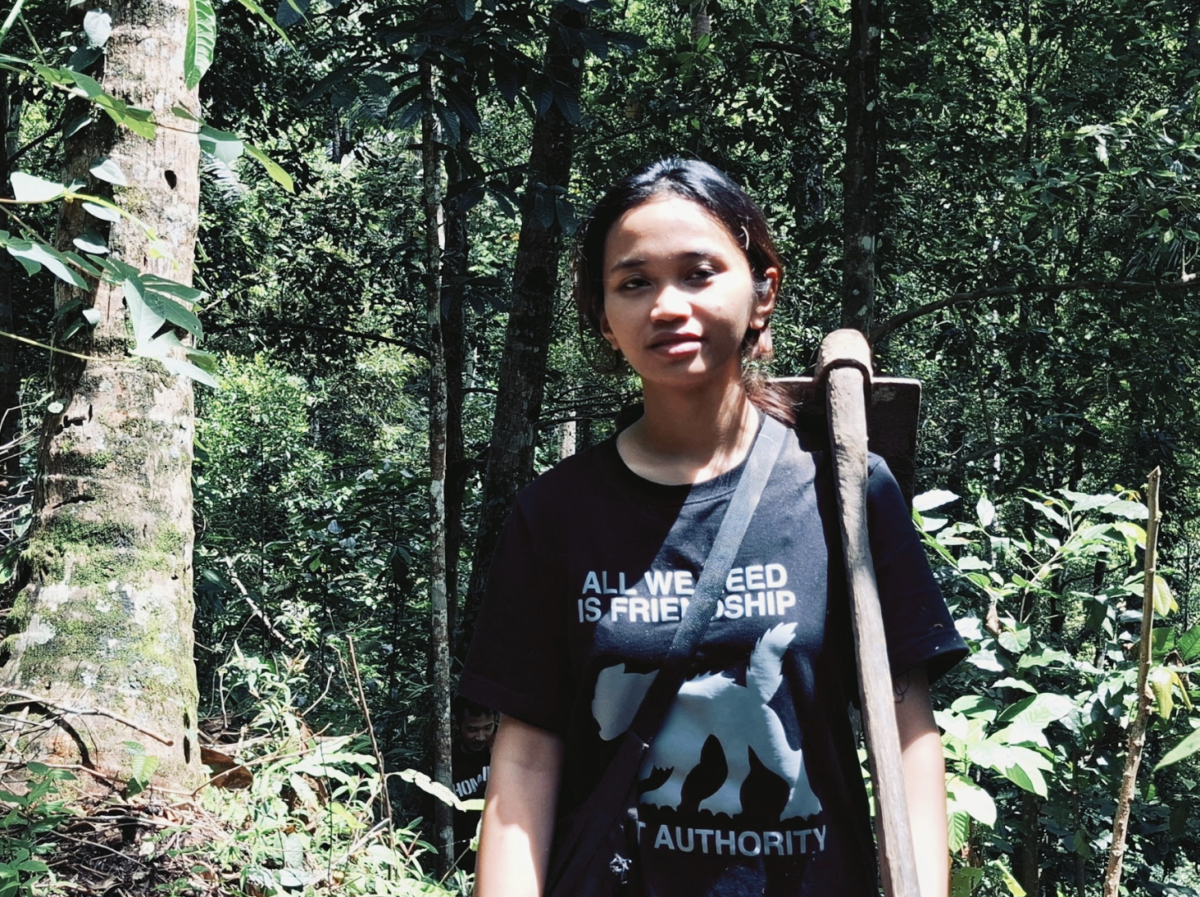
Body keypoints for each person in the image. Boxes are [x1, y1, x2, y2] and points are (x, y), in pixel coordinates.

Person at [459, 157, 967, 897]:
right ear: (603, 319)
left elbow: (908, 732)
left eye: (698, 274)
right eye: (634, 282)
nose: (668, 305)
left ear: (762, 293)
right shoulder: (557, 513)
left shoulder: (844, 490)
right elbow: (527, 758)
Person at [451, 700, 496, 873]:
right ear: (458, 725)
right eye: (472, 729)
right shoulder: (448, 761)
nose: (481, 736)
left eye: (488, 727)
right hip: (463, 861)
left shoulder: (505, 752)